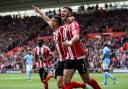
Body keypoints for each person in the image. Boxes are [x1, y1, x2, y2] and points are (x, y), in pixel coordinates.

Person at [32, 5, 87, 89]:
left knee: (64, 84)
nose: (50, 23)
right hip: (60, 61)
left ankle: (83, 85)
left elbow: (71, 20)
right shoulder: (54, 31)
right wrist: (39, 11)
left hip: (67, 59)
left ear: (57, 23)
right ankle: (82, 85)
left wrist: (72, 18)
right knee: (60, 85)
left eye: (53, 21)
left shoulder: (63, 28)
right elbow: (46, 19)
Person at [60, 7, 101, 89]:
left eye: (64, 11)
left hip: (80, 58)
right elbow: (52, 22)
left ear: (70, 14)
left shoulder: (74, 24)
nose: (62, 13)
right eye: (61, 12)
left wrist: (69, 43)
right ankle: (83, 85)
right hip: (70, 58)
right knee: (65, 82)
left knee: (87, 80)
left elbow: (77, 37)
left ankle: (86, 85)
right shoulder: (64, 27)